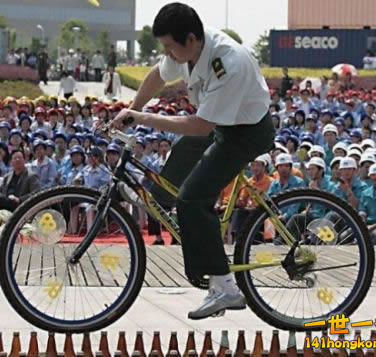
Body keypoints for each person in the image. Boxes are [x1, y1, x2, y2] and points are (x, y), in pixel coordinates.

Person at [110, 3, 275, 319]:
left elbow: (201, 126)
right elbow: (158, 76)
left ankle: (224, 287)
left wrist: (142, 117)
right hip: (221, 123)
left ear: (190, 39)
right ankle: (179, 222)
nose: (167, 54)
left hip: (247, 133)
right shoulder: (187, 51)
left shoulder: (229, 63)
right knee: (176, 163)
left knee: (192, 199)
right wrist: (130, 109)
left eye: (170, 47)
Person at [0, 149, 40, 234]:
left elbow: (36, 194)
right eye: (15, 158)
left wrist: (19, 199)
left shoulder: (31, 176)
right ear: (11, 162)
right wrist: (5, 198)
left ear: (24, 160)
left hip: (20, 205)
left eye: (20, 158)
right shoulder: (7, 176)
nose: (17, 160)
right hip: (6, 202)